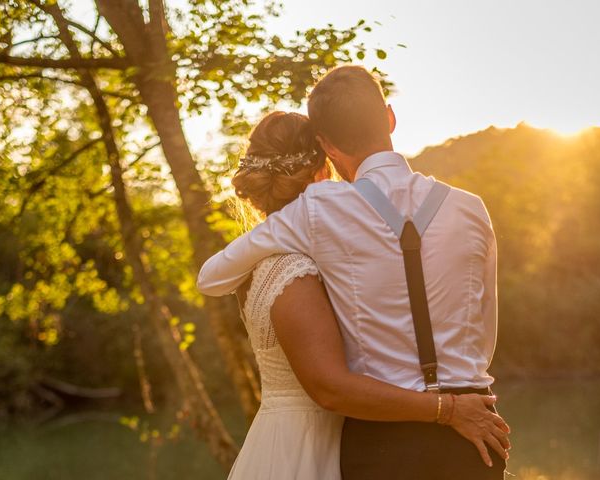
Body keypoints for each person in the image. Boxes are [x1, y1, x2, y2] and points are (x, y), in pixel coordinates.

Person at [209, 105, 509, 479]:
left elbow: (212, 277)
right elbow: (330, 387)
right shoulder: (290, 268)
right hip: (315, 446)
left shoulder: (303, 244)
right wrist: (448, 401)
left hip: (359, 436)